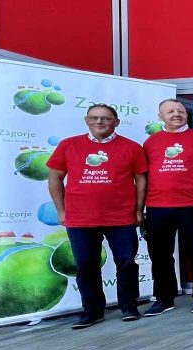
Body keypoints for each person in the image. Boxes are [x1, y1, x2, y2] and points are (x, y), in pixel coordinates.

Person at [46, 104, 147, 329]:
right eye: (94, 118)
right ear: (86, 120)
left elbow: (141, 179)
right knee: (86, 265)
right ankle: (92, 311)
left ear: (116, 122)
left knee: (126, 263)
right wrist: (61, 211)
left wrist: (138, 210)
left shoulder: (132, 147)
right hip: (80, 218)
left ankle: (129, 306)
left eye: (106, 118)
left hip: (121, 217)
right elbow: (55, 178)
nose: (99, 122)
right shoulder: (68, 145)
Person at [142, 99, 193, 316]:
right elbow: (143, 176)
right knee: (160, 255)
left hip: (192, 205)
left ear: (186, 114)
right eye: (170, 111)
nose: (176, 114)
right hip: (157, 206)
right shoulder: (150, 142)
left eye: (180, 111)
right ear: (160, 116)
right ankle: (164, 298)